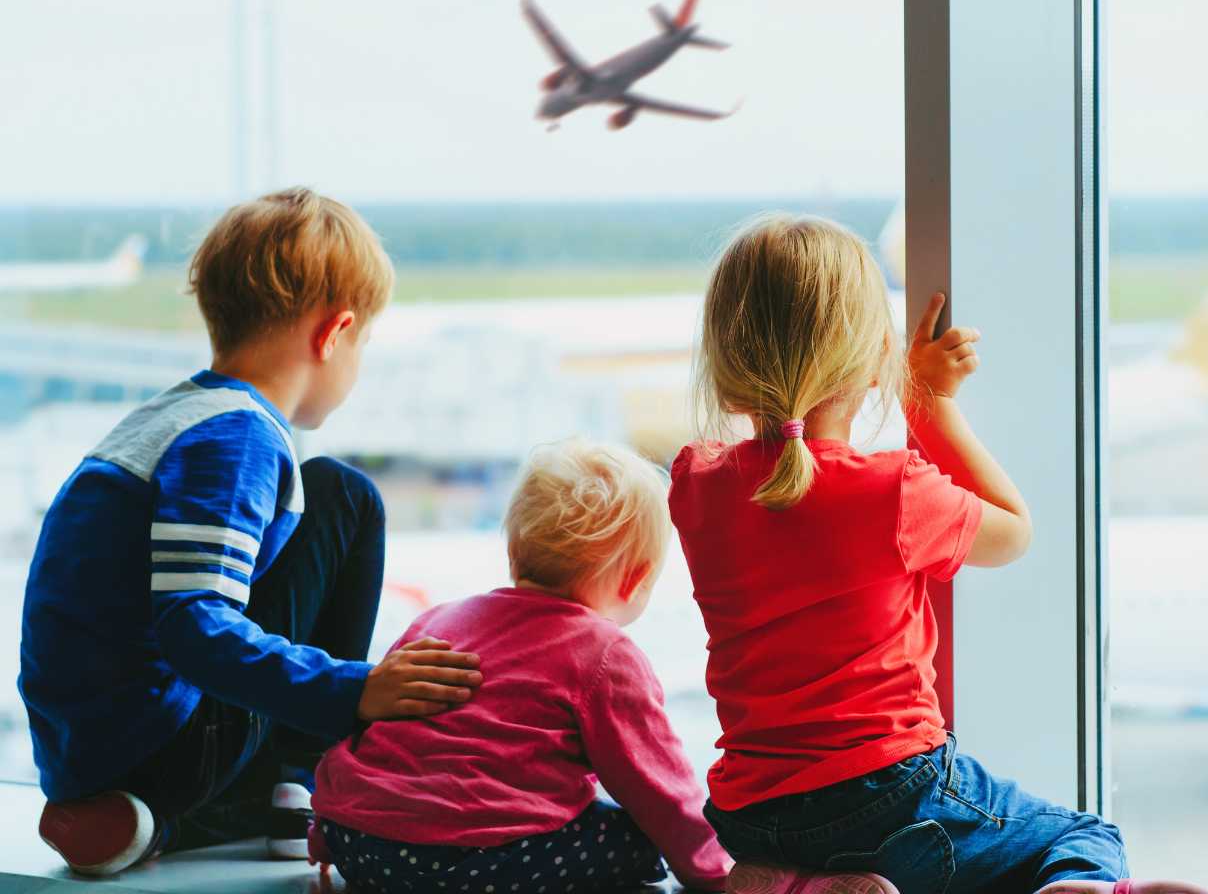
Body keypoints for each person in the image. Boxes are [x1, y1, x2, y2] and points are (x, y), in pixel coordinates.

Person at [670, 214, 1208, 894]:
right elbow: (1014, 531)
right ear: (872, 363)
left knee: (823, 842)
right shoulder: (892, 491)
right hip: (889, 796)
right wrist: (931, 405)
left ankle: (801, 884)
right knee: (1084, 835)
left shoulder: (696, 484)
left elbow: (784, 501)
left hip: (749, 813)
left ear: (725, 367)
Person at [20, 188, 483, 876]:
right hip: (155, 743)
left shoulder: (172, 415)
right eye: (365, 341)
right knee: (342, 497)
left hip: (83, 750)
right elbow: (193, 625)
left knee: (318, 497)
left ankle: (140, 823)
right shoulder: (236, 439)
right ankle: (292, 785)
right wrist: (352, 690)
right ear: (334, 334)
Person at [310, 439, 733, 892]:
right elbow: (662, 790)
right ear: (635, 580)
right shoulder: (605, 652)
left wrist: (327, 836)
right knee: (637, 836)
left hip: (358, 842)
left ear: (514, 550)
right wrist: (712, 872)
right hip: (475, 862)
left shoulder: (438, 619)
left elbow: (375, 733)